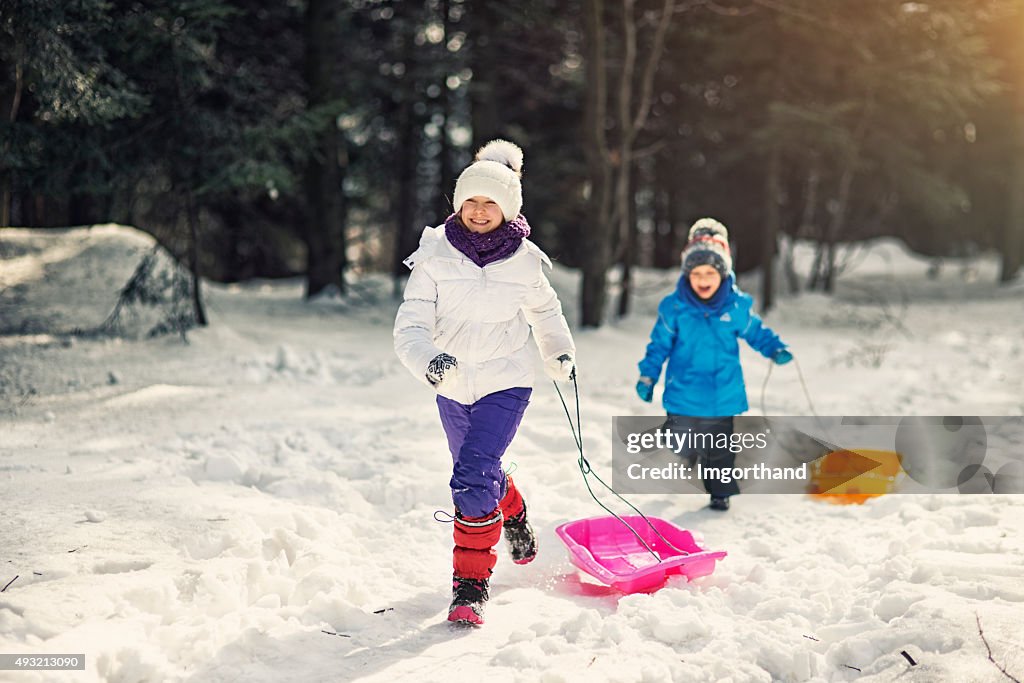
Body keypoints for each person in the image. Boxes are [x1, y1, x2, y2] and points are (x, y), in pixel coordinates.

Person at [394, 139, 576, 625]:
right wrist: (429, 362)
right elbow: (410, 325)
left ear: (508, 206)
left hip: (506, 382)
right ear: (458, 204)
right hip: (452, 385)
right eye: (470, 201)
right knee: (481, 471)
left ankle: (469, 588)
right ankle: (512, 511)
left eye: (490, 202)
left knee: (472, 475)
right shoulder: (435, 254)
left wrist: (557, 351)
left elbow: (545, 311)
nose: (479, 211)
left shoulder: (525, 260)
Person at [635, 218, 792, 511]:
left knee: (718, 453)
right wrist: (648, 376)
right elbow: (658, 345)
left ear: (723, 273)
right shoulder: (675, 308)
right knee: (681, 442)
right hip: (683, 394)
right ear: (687, 274)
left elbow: (756, 332)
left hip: (722, 395)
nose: (703, 279)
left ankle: (720, 493)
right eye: (696, 273)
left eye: (710, 272)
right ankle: (687, 456)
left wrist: (775, 348)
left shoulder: (735, 307)